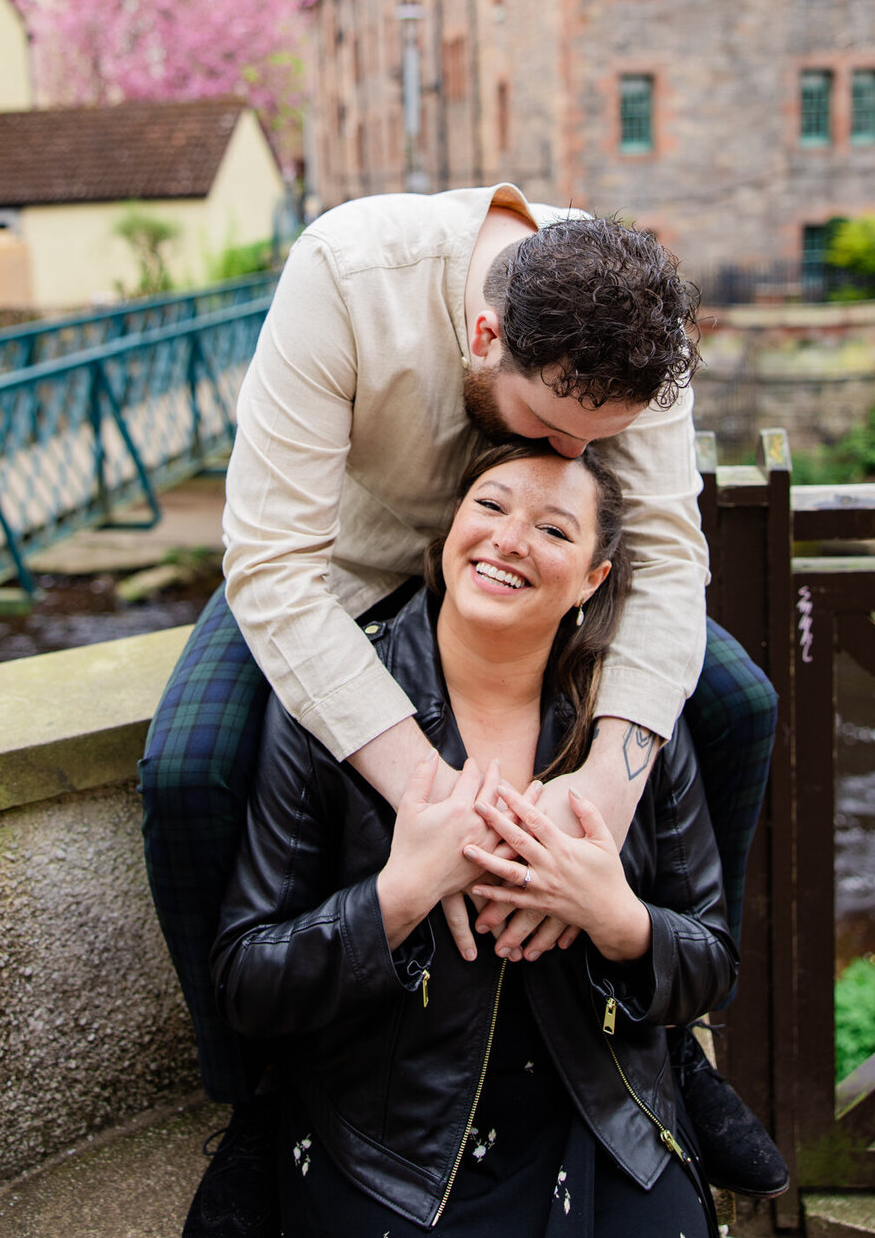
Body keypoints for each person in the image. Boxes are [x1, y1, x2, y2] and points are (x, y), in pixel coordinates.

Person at [141, 187, 784, 1217]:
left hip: (538, 574)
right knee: (184, 768)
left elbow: (665, 567)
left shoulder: (634, 342)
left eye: (595, 442)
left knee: (743, 705)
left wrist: (602, 806)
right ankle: (255, 1093)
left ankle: (670, 1048)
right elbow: (269, 566)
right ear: (486, 334)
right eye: (550, 425)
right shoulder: (345, 274)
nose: (574, 455)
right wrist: (431, 797)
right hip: (338, 567)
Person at [207, 443, 735, 1237]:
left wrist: (615, 916)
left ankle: (687, 1082)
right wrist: (399, 893)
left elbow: (711, 965)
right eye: (489, 507)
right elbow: (246, 981)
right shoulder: (335, 700)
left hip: (599, 1116)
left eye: (555, 531)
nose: (509, 539)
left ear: (595, 579)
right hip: (391, 1138)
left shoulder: (630, 728)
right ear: (449, 528)